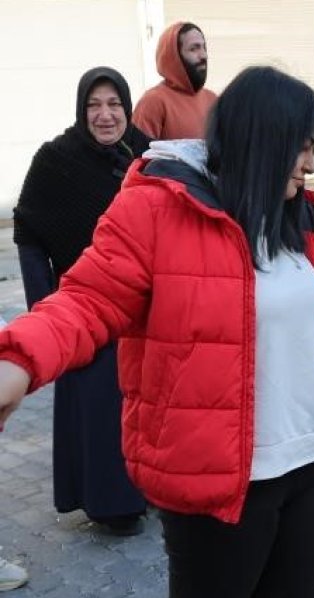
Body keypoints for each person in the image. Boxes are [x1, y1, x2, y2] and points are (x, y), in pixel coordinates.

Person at [0, 66, 314, 598]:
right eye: (301, 146)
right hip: (220, 475)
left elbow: (296, 317)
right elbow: (87, 300)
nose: (310, 163)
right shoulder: (156, 210)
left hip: (312, 460)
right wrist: (17, 361)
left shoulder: (290, 214)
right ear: (260, 141)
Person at [12, 67, 152, 536]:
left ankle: (150, 491)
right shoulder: (56, 160)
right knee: (97, 410)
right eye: (95, 105)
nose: (105, 115)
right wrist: (42, 305)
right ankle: (109, 504)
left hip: (144, 309)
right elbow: (29, 230)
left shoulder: (146, 155)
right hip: (85, 308)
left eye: (114, 104)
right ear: (81, 109)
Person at [133, 21, 217, 140]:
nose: (204, 56)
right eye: (194, 49)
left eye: (204, 48)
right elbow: (140, 154)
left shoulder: (212, 99)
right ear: (174, 57)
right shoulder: (153, 102)